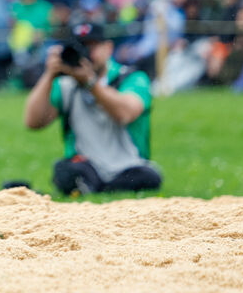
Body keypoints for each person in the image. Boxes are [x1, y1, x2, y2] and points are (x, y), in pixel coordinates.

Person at [24, 22, 162, 196]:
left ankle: (94, 187)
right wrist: (49, 74)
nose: (87, 54)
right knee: (65, 171)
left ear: (108, 48)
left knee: (147, 177)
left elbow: (125, 114)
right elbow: (33, 122)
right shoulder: (67, 85)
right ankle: (96, 185)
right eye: (81, 47)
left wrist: (90, 84)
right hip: (86, 165)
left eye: (92, 47)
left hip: (128, 165)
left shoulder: (131, 77)